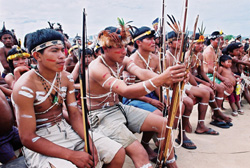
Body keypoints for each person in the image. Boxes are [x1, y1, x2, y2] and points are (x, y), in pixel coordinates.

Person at [86, 24, 186, 168]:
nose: (123, 51)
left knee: (164, 123)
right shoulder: (96, 68)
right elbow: (125, 91)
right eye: (118, 47)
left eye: (124, 46)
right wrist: (161, 79)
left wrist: (168, 81)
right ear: (105, 48)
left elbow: (142, 73)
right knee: (140, 154)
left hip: (118, 107)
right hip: (100, 115)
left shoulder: (123, 60)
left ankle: (171, 165)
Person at [12, 28, 101, 168]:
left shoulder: (66, 78)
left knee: (116, 153)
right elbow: (27, 137)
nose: (62, 56)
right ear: (37, 55)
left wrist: (89, 142)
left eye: (62, 50)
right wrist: (71, 155)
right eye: (54, 51)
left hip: (67, 130)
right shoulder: (24, 88)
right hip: (41, 139)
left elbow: (74, 115)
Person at [186, 32, 232, 128]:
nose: (201, 45)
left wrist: (210, 82)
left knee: (218, 88)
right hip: (190, 81)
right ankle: (208, 119)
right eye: (198, 43)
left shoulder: (199, 55)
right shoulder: (188, 56)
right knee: (209, 91)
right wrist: (204, 83)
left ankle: (216, 115)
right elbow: (189, 75)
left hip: (199, 79)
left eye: (202, 43)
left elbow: (202, 72)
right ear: (191, 44)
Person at [203, 31, 234, 97]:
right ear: (211, 40)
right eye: (218, 40)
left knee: (230, 84)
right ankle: (216, 105)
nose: (221, 41)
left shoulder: (218, 50)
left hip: (215, 73)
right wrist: (223, 79)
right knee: (226, 88)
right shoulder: (209, 51)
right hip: (208, 75)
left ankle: (218, 104)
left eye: (222, 39)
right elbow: (210, 69)